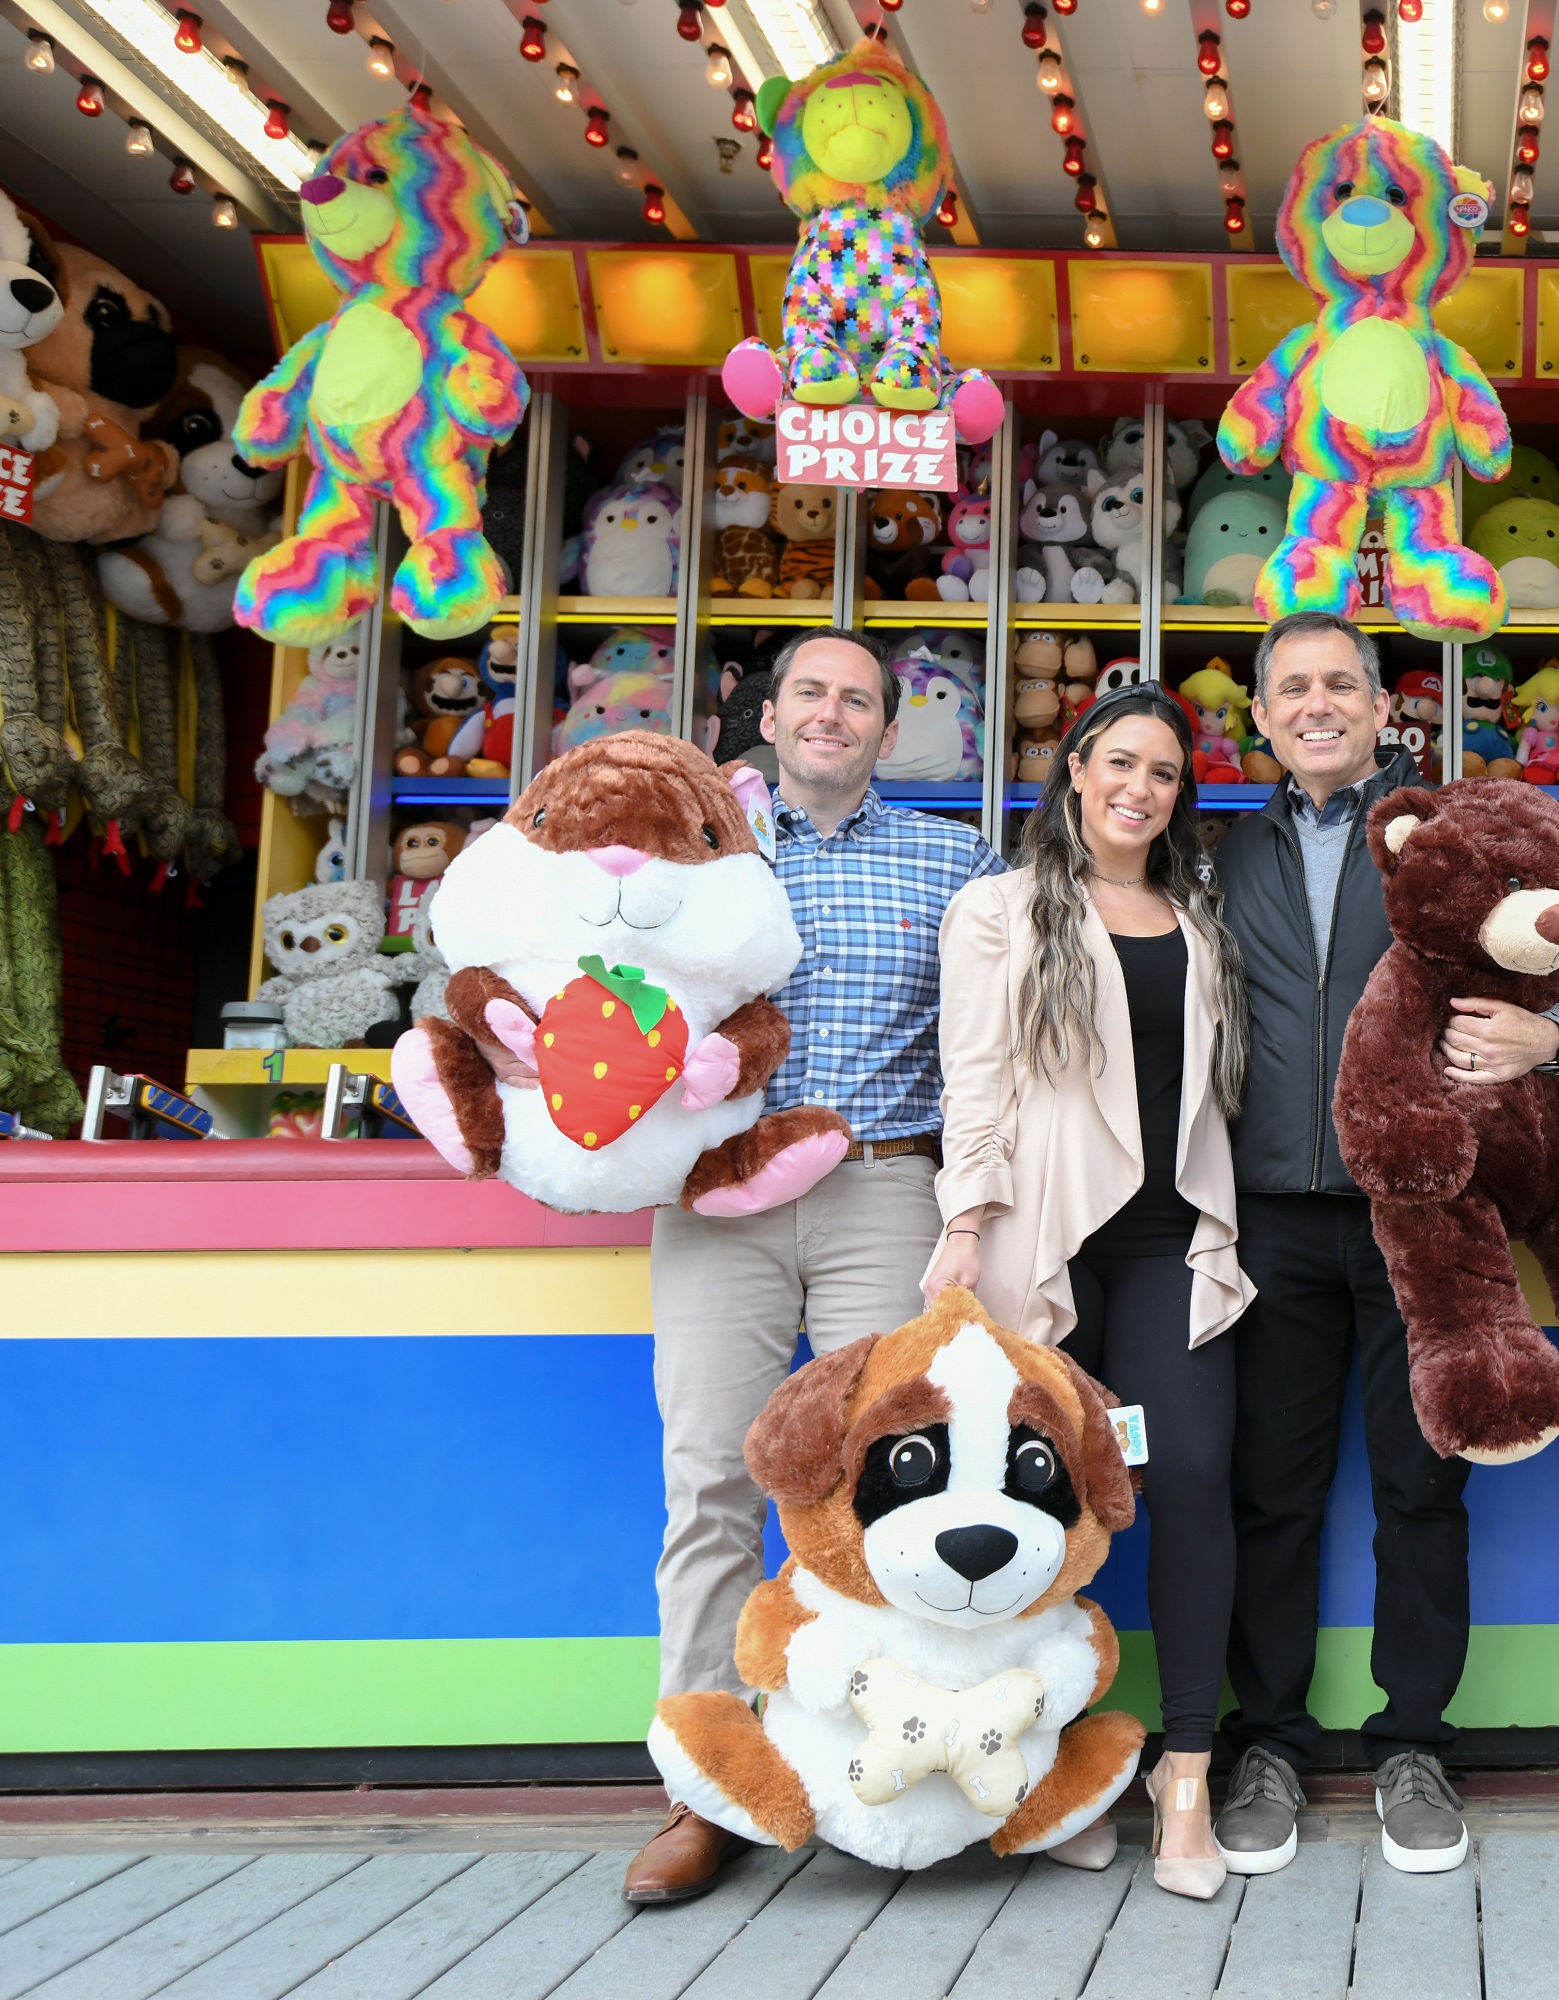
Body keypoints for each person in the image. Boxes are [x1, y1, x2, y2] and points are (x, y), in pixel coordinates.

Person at [1207, 610, 1559, 1877]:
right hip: (1269, 1213)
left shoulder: (1461, 835)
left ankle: (1413, 1742)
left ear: (1383, 708)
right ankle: (1266, 1741)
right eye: (1291, 688)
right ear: (1262, 717)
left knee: (1424, 1488)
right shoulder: (1220, 852)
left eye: (1340, 684)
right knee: (1272, 1492)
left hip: (1423, 1214)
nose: (1315, 704)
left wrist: (1556, 1042)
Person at [625, 628, 999, 1905]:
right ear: (769, 714)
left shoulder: (957, 861)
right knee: (710, 1480)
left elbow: (1004, 1040)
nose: (832, 713)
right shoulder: (689, 854)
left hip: (885, 1187)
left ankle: (876, 1770)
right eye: (811, 693)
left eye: (857, 699)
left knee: (879, 1488)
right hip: (717, 1199)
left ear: (888, 729)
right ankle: (705, 1785)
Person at [925, 684, 1256, 1903]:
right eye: (1120, 762)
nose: (1139, 787)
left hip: (1174, 1247)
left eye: (1163, 772)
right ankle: (1050, 1767)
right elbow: (975, 1078)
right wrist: (965, 1223)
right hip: (1043, 1247)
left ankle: (1184, 1772)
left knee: (1192, 1480)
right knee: (1043, 1503)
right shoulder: (999, 909)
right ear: (1075, 767)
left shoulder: (1198, 916)